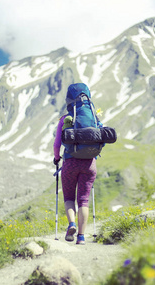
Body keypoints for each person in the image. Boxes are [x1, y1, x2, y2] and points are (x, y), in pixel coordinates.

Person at [53, 83, 99, 245]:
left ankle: (71, 223)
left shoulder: (65, 119)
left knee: (69, 198)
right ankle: (81, 237)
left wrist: (56, 158)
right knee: (84, 201)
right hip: (89, 164)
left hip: (70, 163)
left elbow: (57, 144)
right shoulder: (93, 118)